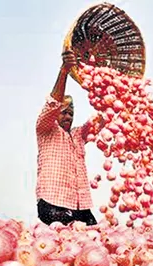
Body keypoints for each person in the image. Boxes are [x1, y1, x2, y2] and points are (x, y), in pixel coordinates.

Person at [34, 50, 102, 226]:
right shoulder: (46, 129)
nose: (68, 117)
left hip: (81, 205)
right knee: (61, 245)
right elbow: (52, 104)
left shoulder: (78, 135)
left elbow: (101, 120)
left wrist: (114, 95)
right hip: (53, 202)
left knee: (94, 241)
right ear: (55, 114)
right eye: (64, 113)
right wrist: (64, 71)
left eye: (71, 113)